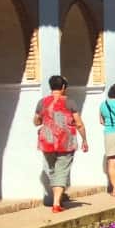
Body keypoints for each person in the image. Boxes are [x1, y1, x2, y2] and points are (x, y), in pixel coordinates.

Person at [34, 74, 88, 212]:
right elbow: (79, 123)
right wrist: (84, 140)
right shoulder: (70, 102)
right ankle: (56, 203)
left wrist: (43, 121)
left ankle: (56, 199)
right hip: (66, 141)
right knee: (62, 170)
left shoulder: (42, 102)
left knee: (52, 169)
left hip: (47, 141)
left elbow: (36, 121)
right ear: (63, 87)